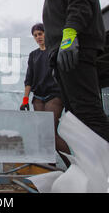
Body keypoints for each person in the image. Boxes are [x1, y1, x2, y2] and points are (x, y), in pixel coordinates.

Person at [35, 0, 109, 156]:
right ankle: (89, 172)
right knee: (77, 116)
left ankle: (102, 176)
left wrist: (70, 33)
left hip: (74, 48)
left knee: (87, 111)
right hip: (64, 54)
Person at [22, 23, 69, 166]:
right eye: (35, 35)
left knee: (50, 133)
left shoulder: (55, 50)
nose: (38, 37)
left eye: (40, 34)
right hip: (38, 98)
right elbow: (29, 78)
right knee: (42, 135)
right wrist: (25, 100)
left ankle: (73, 166)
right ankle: (50, 167)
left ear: (46, 33)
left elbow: (64, 73)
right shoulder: (33, 55)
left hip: (54, 95)